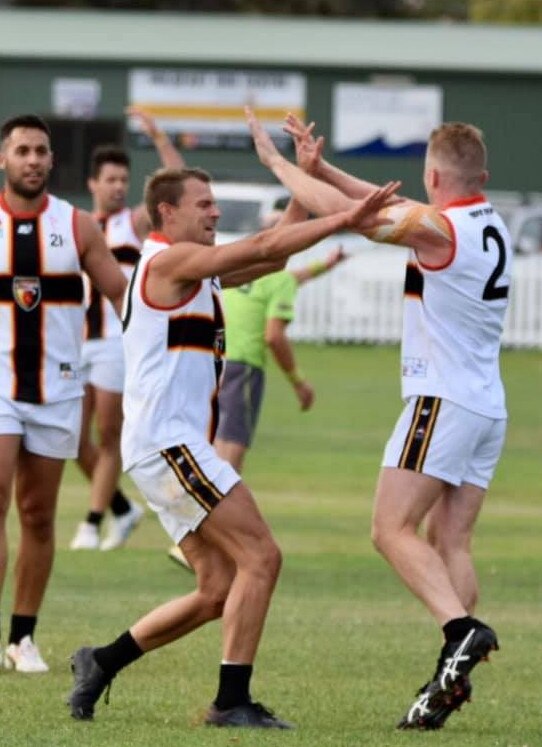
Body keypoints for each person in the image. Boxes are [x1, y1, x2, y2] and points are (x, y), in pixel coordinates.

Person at [67, 165, 399, 727]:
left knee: (218, 587)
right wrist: (346, 217)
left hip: (166, 448)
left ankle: (100, 661)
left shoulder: (196, 271)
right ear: (167, 213)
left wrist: (301, 182)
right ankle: (231, 702)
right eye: (204, 204)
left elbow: (271, 257)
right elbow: (267, 242)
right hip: (168, 446)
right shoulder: (168, 262)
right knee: (262, 557)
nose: (215, 212)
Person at [246, 108, 510, 729]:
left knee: (390, 529)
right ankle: (447, 678)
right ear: (480, 175)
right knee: (452, 542)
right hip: (486, 407)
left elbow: (362, 218)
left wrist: (280, 166)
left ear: (432, 175)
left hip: (440, 401)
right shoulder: (478, 220)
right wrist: (323, 167)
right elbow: (385, 204)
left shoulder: (438, 231)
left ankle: (460, 633)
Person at [0, 114, 127, 672]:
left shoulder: (77, 227)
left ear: (52, 161)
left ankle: (21, 637)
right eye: (22, 150)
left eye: (40, 151)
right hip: (0, 386)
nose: (32, 159)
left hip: (57, 390)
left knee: (38, 515)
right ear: (4, 159)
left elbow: (126, 297)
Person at [167, 242, 347, 567]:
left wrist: (327, 264)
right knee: (229, 458)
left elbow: (294, 276)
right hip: (244, 369)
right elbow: (274, 336)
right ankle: (194, 540)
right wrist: (298, 381)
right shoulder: (280, 280)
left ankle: (195, 534)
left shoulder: (245, 272)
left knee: (211, 450)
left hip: (212, 362)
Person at [70, 107, 185, 551]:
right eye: (110, 180)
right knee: (72, 439)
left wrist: (158, 136)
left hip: (117, 342)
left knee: (107, 433)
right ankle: (122, 508)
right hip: (75, 340)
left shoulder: (133, 223)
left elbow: (178, 178)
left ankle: (91, 521)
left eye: (123, 180)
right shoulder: (76, 224)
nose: (118, 187)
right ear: (93, 185)